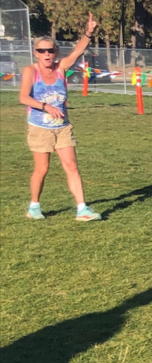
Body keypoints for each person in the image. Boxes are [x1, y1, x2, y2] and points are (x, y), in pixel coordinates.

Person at [19, 14, 102, 221]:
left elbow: (78, 51)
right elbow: (23, 97)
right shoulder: (31, 71)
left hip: (62, 127)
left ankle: (82, 209)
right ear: (36, 53)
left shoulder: (61, 68)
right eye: (41, 51)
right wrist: (45, 106)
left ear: (55, 52)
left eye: (50, 50)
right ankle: (34, 206)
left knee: (72, 165)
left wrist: (89, 32)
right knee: (42, 169)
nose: (46, 54)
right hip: (39, 127)